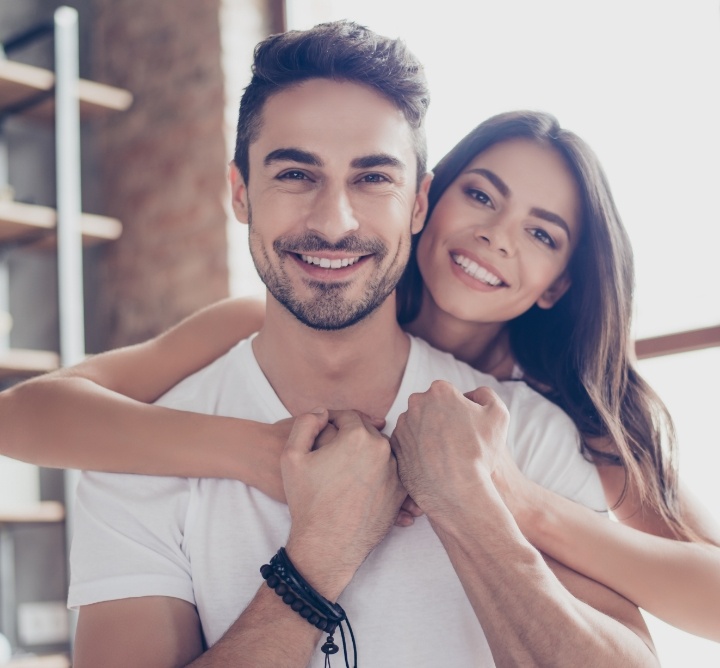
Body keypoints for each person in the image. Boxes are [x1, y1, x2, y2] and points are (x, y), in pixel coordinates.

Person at [0, 29, 718, 653]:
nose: (496, 235)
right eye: (483, 195)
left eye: (540, 232)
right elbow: (30, 414)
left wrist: (509, 499)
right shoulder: (269, 316)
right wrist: (262, 454)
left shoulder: (551, 419)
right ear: (432, 205)